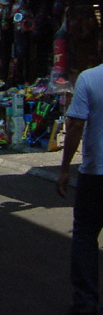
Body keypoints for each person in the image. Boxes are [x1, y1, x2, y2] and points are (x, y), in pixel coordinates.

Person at [57, 31, 103, 315]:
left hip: (96, 173)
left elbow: (74, 125)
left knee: (85, 236)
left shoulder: (89, 78)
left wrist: (65, 168)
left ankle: (87, 303)